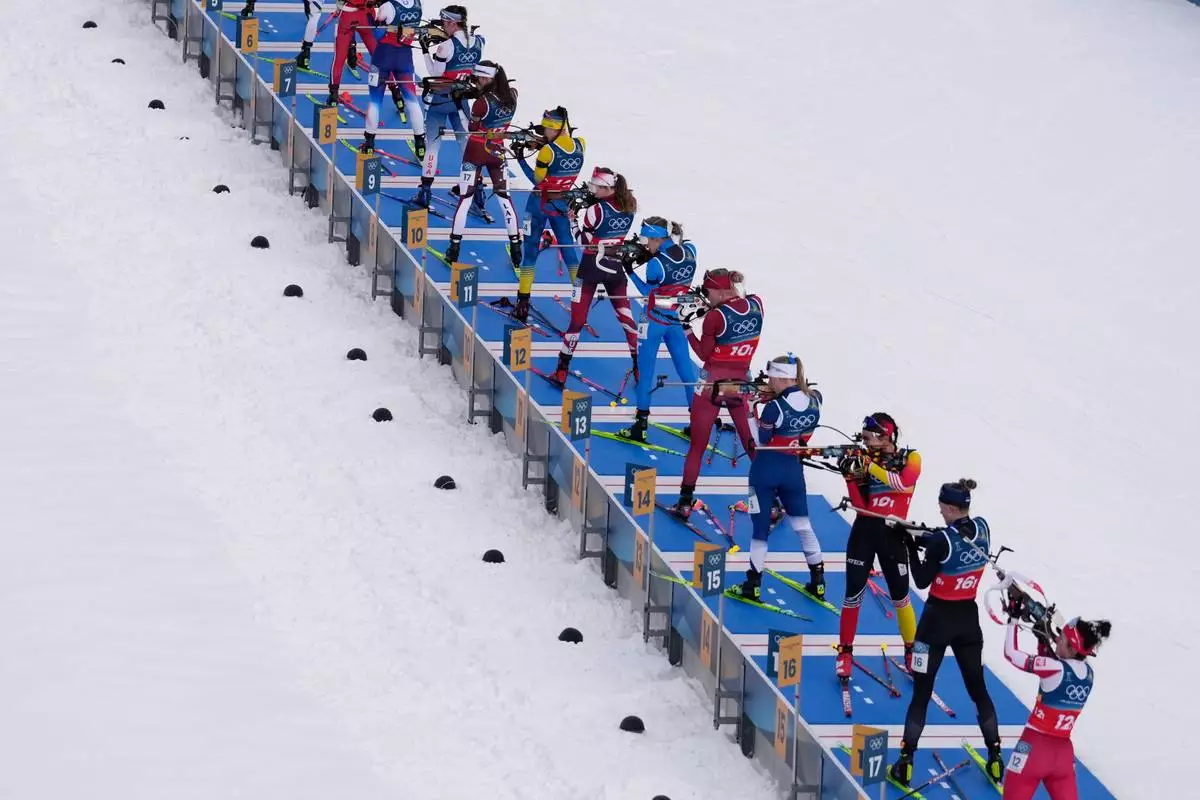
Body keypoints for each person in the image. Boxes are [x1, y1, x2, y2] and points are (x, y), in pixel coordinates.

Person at [889, 478, 1002, 786]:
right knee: (978, 690)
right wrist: (926, 536)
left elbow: (923, 578)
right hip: (967, 621)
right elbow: (951, 538)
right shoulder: (983, 527)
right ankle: (995, 757)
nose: (940, 511)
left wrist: (910, 544)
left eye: (942, 508)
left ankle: (906, 761)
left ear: (952, 508)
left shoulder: (942, 542)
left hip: (934, 625)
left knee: (922, 693)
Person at [833, 413, 922, 678]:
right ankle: (845, 652)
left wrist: (868, 466)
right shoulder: (865, 459)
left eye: (870, 438)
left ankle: (910, 650)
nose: (866, 443)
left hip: (894, 534)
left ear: (886, 437)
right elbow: (862, 507)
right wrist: (850, 477)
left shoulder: (911, 459)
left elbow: (902, 482)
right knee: (852, 595)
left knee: (900, 596)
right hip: (865, 530)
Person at [729, 355, 825, 601]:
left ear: (782, 376)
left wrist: (750, 410)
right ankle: (818, 580)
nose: (768, 381)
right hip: (793, 470)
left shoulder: (775, 408)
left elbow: (760, 442)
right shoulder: (815, 401)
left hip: (764, 471)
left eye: (772, 376)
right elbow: (805, 437)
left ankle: (753, 584)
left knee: (759, 529)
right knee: (803, 525)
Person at [672, 269, 761, 517]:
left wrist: (686, 328)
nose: (708, 297)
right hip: (741, 382)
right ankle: (771, 503)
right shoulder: (757, 305)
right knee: (751, 442)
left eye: (709, 292)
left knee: (698, 446)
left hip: (711, 384)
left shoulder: (715, 316)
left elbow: (703, 353)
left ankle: (685, 502)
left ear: (721, 290)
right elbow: (743, 299)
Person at [1001, 606, 1110, 799]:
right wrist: (1043, 643)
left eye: (1062, 638)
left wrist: (1013, 618)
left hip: (1033, 748)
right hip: (1063, 756)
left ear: (1071, 647)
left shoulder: (1054, 668)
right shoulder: (1089, 675)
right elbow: (1059, 676)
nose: (1057, 639)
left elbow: (1011, 653)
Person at [547, 168, 639, 385]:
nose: (592, 190)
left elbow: (583, 242)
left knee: (577, 322)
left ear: (607, 188)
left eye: (596, 187)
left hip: (590, 269)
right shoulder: (630, 207)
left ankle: (561, 370)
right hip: (615, 268)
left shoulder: (595, 210)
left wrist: (572, 220)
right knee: (627, 320)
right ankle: (638, 369)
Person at [618, 218, 698, 442]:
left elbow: (648, 292)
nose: (646, 246)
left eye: (647, 241)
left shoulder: (656, 264)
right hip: (676, 320)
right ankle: (697, 424)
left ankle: (640, 425)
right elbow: (678, 249)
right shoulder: (691, 250)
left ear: (656, 238)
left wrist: (629, 271)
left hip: (653, 321)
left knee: (645, 374)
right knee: (687, 374)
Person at [510, 107, 586, 321]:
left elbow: (537, 180)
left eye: (546, 130)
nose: (543, 134)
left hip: (538, 203)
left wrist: (520, 158)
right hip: (561, 203)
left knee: (530, 252)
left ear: (554, 128)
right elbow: (562, 146)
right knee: (570, 253)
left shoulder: (547, 152)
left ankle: (522, 303)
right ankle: (581, 303)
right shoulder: (581, 144)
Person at [444, 61, 520, 267]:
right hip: (498, 150)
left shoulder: (482, 102)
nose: (476, 81)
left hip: (476, 150)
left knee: (465, 200)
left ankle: (453, 249)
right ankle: (516, 250)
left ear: (486, 79)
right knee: (505, 199)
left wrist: (462, 102)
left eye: (479, 78)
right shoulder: (513, 94)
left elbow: (472, 126)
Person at [413, 5, 485, 207]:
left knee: (433, 147)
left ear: (453, 22)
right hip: (461, 101)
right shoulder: (479, 42)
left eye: (445, 23)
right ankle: (475, 189)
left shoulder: (446, 47)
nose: (443, 26)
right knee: (467, 147)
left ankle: (425, 191)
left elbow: (434, 75)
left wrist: (425, 49)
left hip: (440, 101)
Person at [361, 0, 427, 159]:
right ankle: (420, 143)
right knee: (412, 101)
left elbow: (376, 34)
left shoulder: (388, 6)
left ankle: (369, 142)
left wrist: (370, 14)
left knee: (375, 100)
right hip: (404, 58)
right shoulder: (418, 4)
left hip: (382, 57)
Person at [323, 0, 379, 107]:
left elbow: (340, 2)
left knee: (339, 58)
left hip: (349, 14)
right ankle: (395, 90)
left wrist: (339, 9)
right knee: (378, 55)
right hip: (366, 15)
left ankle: (333, 94)